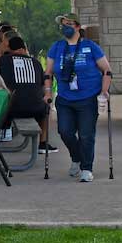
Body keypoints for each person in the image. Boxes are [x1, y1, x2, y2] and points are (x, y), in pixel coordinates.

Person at [48, 13, 112, 183]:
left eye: (69, 23)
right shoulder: (57, 47)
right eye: (63, 24)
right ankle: (76, 157)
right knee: (65, 131)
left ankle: (86, 168)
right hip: (65, 98)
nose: (65, 27)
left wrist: (104, 91)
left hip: (88, 98)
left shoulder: (91, 47)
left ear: (77, 26)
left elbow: (106, 70)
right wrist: (47, 93)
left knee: (86, 134)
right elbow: (48, 73)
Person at [0, 35, 53, 148]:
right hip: (36, 109)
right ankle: (43, 143)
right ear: (23, 49)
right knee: (46, 109)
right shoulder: (36, 62)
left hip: (11, 109)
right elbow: (43, 87)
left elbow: (0, 84)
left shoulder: (3, 60)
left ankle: (1, 132)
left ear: (9, 49)